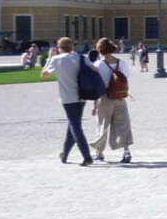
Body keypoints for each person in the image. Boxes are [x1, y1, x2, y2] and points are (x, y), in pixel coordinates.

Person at [41, 36, 95, 165]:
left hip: (68, 97)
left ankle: (87, 156)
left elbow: (43, 74)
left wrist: (49, 58)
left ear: (59, 48)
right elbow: (95, 69)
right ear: (72, 46)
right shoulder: (81, 57)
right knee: (73, 124)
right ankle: (64, 154)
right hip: (82, 95)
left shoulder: (57, 59)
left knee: (75, 126)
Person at [91, 37, 134, 164]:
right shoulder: (122, 63)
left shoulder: (98, 65)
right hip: (120, 97)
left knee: (103, 125)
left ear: (100, 50)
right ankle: (126, 152)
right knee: (123, 124)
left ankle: (99, 153)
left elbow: (95, 86)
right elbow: (126, 78)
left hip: (105, 98)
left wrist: (94, 105)